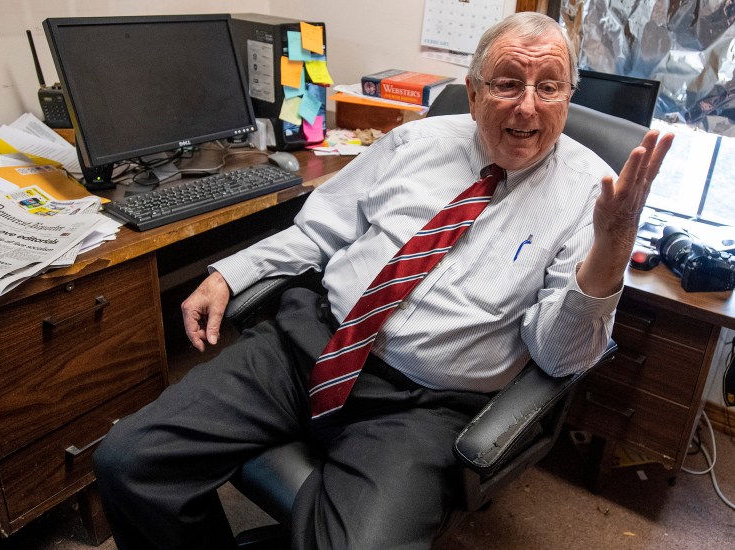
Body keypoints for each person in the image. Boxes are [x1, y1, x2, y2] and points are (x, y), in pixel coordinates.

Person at [93, 12, 673, 550]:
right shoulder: (413, 141)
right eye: (506, 83)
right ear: (473, 94)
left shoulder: (595, 196)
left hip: (421, 403)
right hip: (308, 342)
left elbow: (559, 356)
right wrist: (230, 273)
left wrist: (612, 248)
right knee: (129, 460)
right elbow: (317, 230)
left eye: (549, 87)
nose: (527, 107)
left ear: (567, 98)